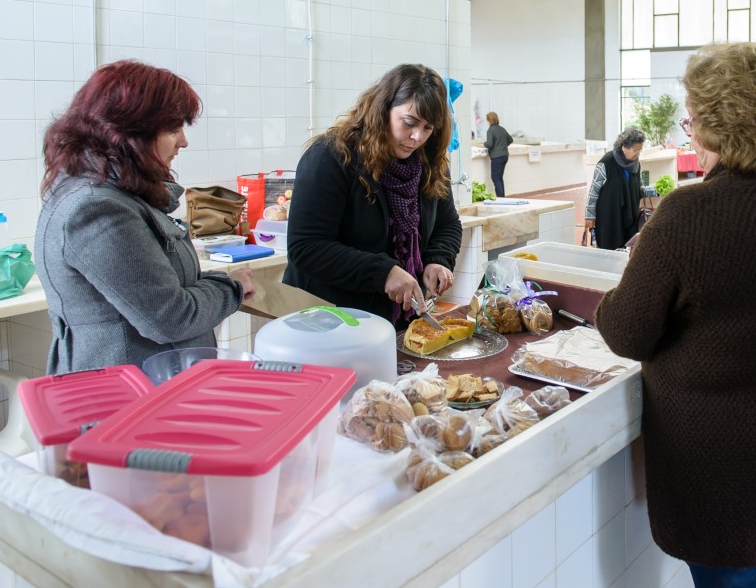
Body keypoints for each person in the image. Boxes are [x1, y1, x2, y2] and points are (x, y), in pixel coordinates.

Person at [595, 43, 756, 588]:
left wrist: (640, 263)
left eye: (693, 118)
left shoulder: (689, 213)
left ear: (722, 123)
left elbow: (626, 332)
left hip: (721, 464)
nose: (690, 132)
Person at [35, 60, 256, 375]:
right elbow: (171, 318)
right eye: (173, 128)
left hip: (148, 382)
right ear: (128, 131)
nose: (183, 141)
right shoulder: (98, 209)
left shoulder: (114, 194)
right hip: (123, 395)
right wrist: (230, 287)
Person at [284, 64, 462, 327]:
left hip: (394, 320)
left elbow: (448, 224)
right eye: (409, 123)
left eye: (428, 128)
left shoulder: (429, 163)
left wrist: (437, 260)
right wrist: (384, 272)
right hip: (329, 319)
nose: (417, 137)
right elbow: (307, 248)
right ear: (383, 109)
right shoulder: (331, 156)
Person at [584, 127, 645, 250]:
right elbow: (594, 191)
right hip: (609, 217)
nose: (638, 154)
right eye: (635, 150)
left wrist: (652, 191)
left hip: (630, 217)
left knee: (628, 250)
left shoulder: (636, 164)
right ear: (624, 146)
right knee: (609, 251)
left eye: (640, 150)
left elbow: (639, 187)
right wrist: (589, 216)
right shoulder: (606, 163)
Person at [484, 111, 513, 198]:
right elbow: (510, 139)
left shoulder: (490, 130)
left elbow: (489, 144)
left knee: (495, 177)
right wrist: (502, 146)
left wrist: (484, 144)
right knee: (499, 177)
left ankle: (500, 197)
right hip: (505, 155)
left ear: (489, 120)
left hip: (497, 157)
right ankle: (502, 197)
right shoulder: (502, 129)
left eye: (487, 120)